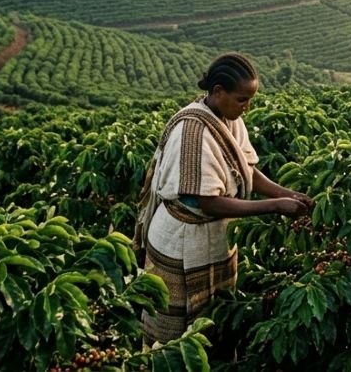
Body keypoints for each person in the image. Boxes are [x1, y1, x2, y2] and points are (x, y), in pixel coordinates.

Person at [134, 52, 313, 344]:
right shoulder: (193, 132)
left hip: (214, 235)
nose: (247, 106)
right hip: (181, 239)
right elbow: (208, 201)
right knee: (173, 335)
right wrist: (274, 206)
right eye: (242, 99)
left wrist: (288, 193)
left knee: (214, 321)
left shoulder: (229, 118)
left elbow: (247, 171)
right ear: (218, 92)